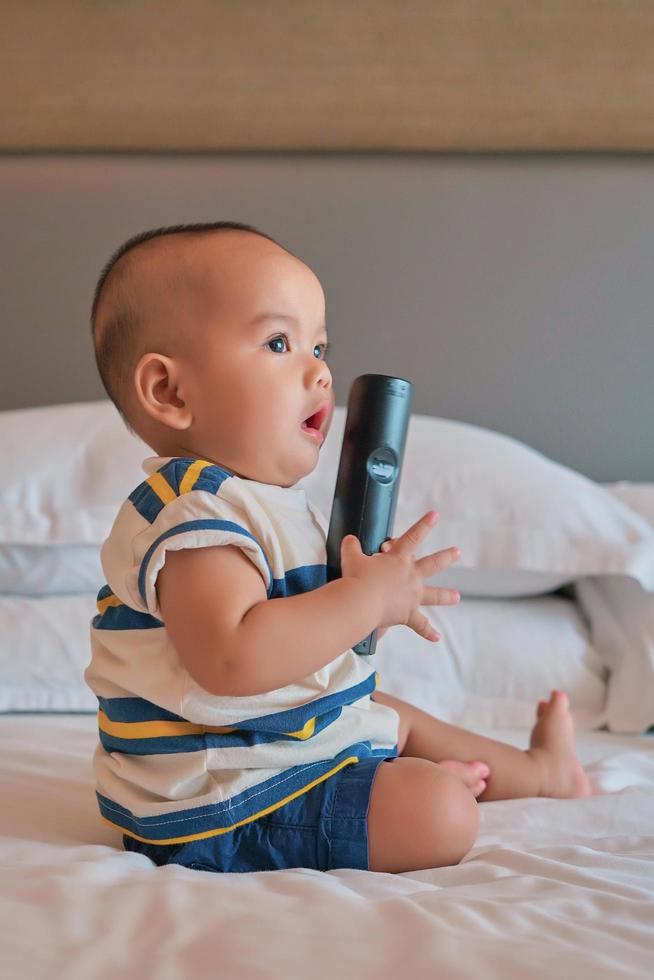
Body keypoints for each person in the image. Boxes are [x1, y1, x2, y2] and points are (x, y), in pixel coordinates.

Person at [84, 221, 590, 875]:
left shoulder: (268, 504)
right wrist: (361, 598)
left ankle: (540, 772)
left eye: (319, 345)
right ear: (170, 392)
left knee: (386, 714)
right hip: (223, 800)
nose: (319, 369)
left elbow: (299, 646)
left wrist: (363, 609)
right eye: (278, 342)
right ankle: (424, 792)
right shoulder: (194, 512)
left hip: (266, 745)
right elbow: (232, 659)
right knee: (441, 812)